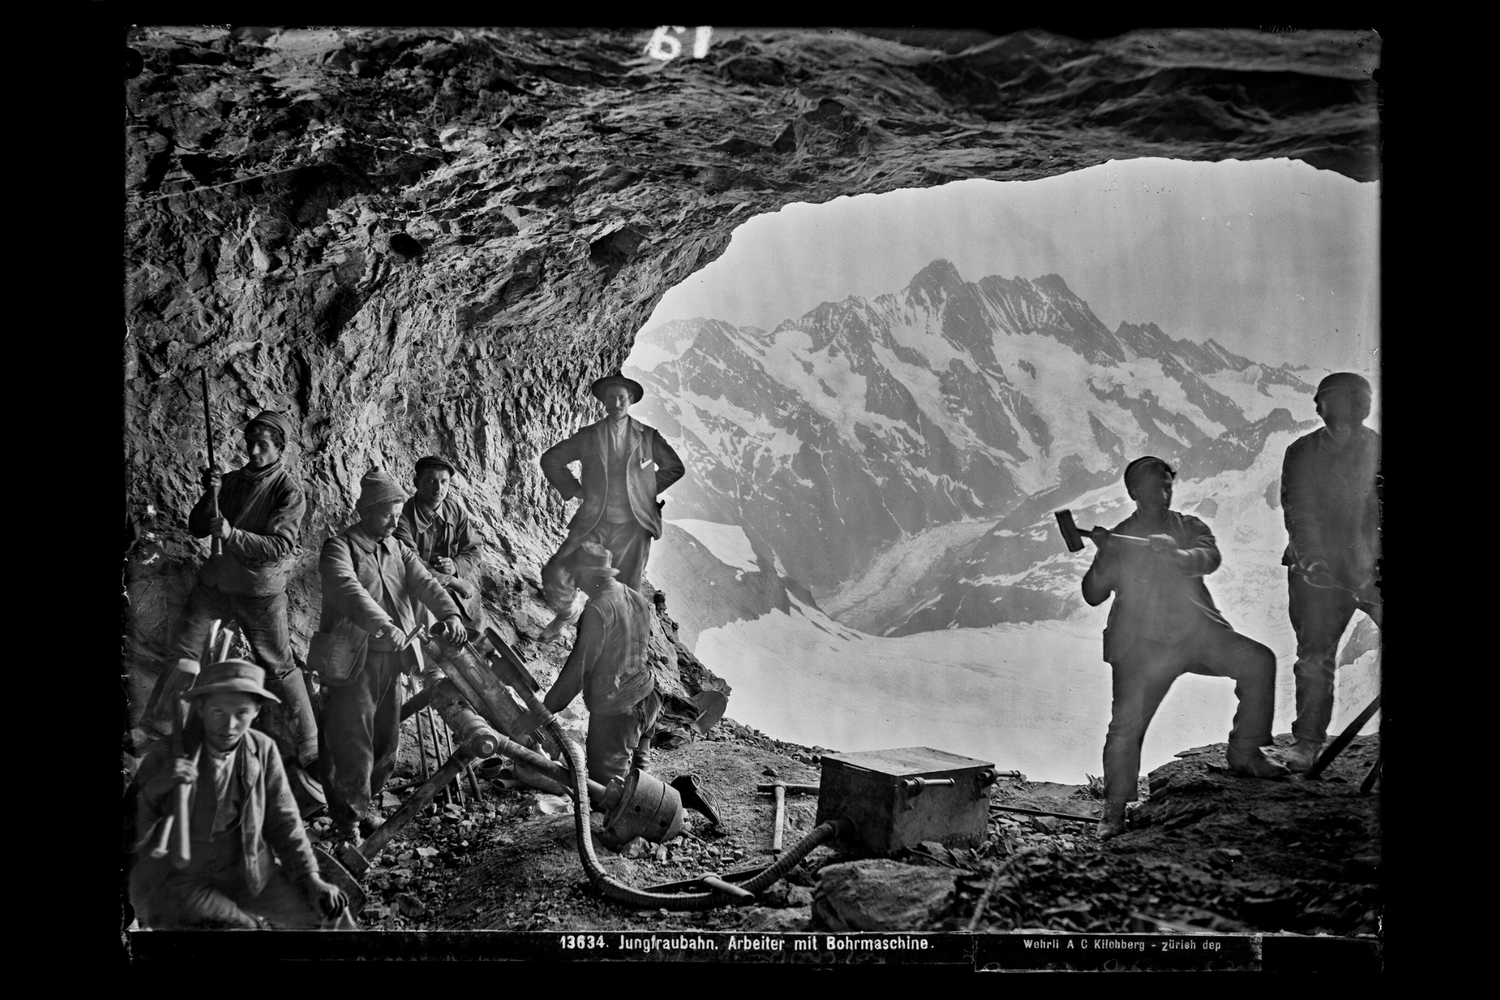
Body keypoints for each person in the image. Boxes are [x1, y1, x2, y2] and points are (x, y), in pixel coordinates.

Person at [1081, 456, 1288, 839]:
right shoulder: (1119, 538)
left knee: (1258, 661)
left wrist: (1177, 555)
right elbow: (1093, 594)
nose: (1164, 491)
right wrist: (1105, 553)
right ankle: (1113, 810)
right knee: (1126, 727)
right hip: (1140, 647)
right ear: (1133, 493)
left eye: (1167, 484)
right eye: (1154, 486)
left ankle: (1245, 752)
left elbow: (1209, 557)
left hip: (1196, 635)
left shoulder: (1188, 527)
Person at [145, 410, 322, 805]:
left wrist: (231, 533)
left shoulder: (288, 491)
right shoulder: (230, 481)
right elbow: (196, 525)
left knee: (277, 664)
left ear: (280, 448)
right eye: (251, 443)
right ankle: (157, 727)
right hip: (216, 582)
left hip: (258, 589)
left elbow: (279, 547)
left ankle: (308, 745)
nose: (254, 451)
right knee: (185, 648)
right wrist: (210, 494)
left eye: (263, 445)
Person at [128, 659, 352, 929]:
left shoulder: (261, 749)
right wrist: (158, 788)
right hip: (180, 880)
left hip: (247, 871)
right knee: (241, 932)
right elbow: (126, 835)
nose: (230, 725)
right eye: (219, 711)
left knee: (330, 914)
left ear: (256, 712)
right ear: (200, 707)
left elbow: (284, 821)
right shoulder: (167, 754)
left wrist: (311, 878)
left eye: (242, 712)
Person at [317, 469, 468, 848]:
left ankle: (363, 808)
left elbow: (426, 584)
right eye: (387, 514)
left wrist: (450, 615)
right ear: (366, 511)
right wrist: (384, 625)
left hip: (393, 661)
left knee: (386, 739)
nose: (395, 521)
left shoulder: (397, 549)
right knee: (352, 742)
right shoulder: (340, 547)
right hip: (354, 662)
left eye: (399, 514)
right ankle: (347, 823)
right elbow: (349, 591)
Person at [1280, 372, 1382, 772]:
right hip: (1317, 574)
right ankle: (1307, 743)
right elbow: (1299, 512)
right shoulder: (1302, 452)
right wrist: (1314, 561)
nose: (1316, 407)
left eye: (1321, 399)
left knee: (1314, 658)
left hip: (1370, 572)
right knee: (1316, 657)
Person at [538, 373, 684, 634]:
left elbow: (674, 468)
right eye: (611, 398)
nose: (617, 403)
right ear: (603, 402)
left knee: (624, 590)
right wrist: (575, 490)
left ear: (630, 401)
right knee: (558, 570)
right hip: (595, 519)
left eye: (622, 398)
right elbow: (552, 459)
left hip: (635, 526)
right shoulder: (589, 436)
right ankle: (567, 614)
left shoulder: (647, 436)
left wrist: (642, 491)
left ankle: (597, 647)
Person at [514, 543, 660, 788]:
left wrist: (542, 712)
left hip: (619, 713)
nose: (576, 582)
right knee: (640, 779)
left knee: (606, 791)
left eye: (578, 575)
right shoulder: (634, 596)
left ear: (589, 575)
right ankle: (650, 798)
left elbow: (578, 671)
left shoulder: (597, 609)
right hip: (649, 698)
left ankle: (658, 815)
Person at [394, 454, 485, 632]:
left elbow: (473, 549)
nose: (438, 488)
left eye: (444, 482)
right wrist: (451, 580)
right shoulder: (401, 516)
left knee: (478, 633)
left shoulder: (455, 511)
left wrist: (455, 566)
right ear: (416, 482)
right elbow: (411, 563)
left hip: (457, 588)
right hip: (419, 589)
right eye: (430, 481)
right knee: (437, 637)